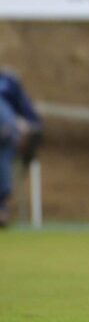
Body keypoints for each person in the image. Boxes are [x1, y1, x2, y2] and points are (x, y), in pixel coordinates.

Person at [0, 70, 43, 227]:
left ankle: (2, 207)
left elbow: (32, 118)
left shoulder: (9, 81)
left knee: (4, 148)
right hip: (9, 132)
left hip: (8, 135)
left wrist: (26, 125)